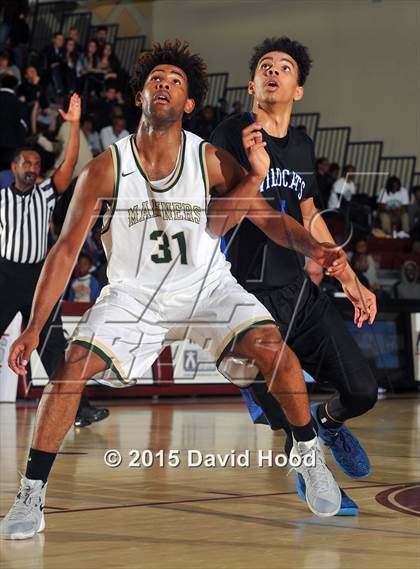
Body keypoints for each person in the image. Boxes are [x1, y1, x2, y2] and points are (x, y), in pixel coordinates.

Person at [0, 40, 349, 540]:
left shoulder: (207, 158)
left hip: (207, 289)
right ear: (139, 94)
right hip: (134, 297)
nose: (163, 83)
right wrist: (34, 326)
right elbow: (63, 252)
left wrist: (314, 248)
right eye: (155, 78)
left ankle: (308, 453)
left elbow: (266, 217)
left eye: (175, 81)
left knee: (277, 351)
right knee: (69, 370)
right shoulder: (104, 168)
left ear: (188, 104)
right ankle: (31, 494)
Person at [210, 36, 378, 516]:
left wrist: (349, 276)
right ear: (251, 85)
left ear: (297, 89)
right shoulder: (231, 134)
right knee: (289, 413)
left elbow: (308, 214)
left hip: (298, 290)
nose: (274, 71)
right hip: (247, 296)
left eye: (284, 67)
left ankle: (329, 423)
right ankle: (317, 481)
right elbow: (256, 215)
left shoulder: (302, 145)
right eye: (266, 65)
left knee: (362, 391)